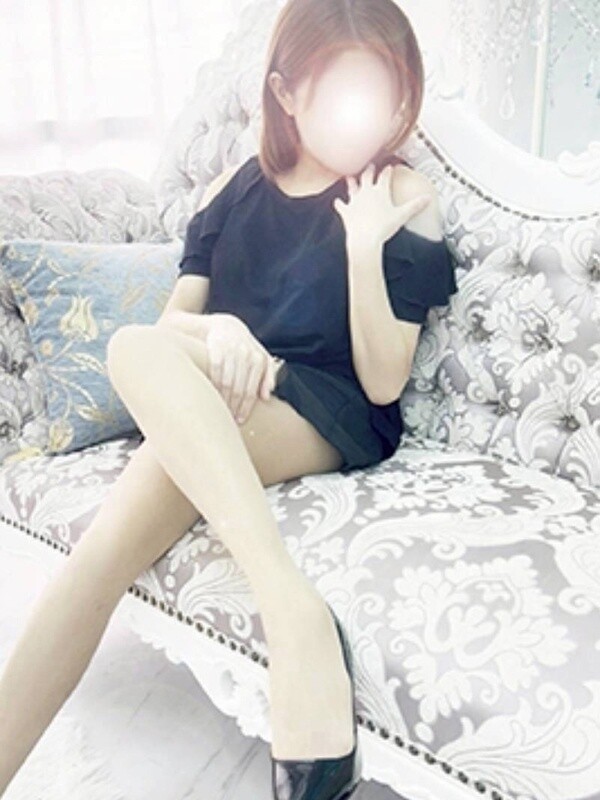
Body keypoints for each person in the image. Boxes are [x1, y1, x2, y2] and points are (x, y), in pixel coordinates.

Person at [0, 1, 457, 798]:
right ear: (287, 93)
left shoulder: (401, 192)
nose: (369, 119)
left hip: (325, 407)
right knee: (129, 360)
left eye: (384, 97)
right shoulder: (234, 189)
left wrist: (362, 247)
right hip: (220, 399)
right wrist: (223, 333)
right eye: (345, 96)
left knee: (103, 553)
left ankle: (289, 611)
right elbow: (170, 329)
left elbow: (384, 380)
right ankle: (292, 606)